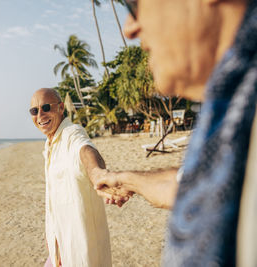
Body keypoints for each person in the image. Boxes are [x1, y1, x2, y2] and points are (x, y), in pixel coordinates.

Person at [95, 0, 257, 266]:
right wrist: (126, 180)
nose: (129, 29)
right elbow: (196, 184)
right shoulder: (233, 106)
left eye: (135, 6)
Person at [30, 88, 127, 267]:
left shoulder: (71, 133)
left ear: (60, 108)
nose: (40, 115)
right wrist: (51, 233)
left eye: (45, 107)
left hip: (81, 250)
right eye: (34, 111)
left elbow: (85, 149)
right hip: (60, 247)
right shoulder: (50, 142)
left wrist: (98, 173)